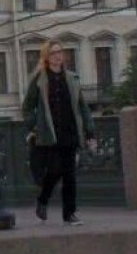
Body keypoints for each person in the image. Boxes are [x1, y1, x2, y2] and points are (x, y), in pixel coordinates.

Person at [24, 39, 97, 226]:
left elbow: (83, 107)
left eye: (59, 52)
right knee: (55, 170)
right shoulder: (39, 80)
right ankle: (42, 199)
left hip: (70, 132)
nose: (58, 55)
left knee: (70, 175)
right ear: (46, 58)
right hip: (50, 134)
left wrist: (90, 132)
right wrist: (34, 126)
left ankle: (69, 213)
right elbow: (27, 107)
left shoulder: (72, 79)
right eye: (53, 53)